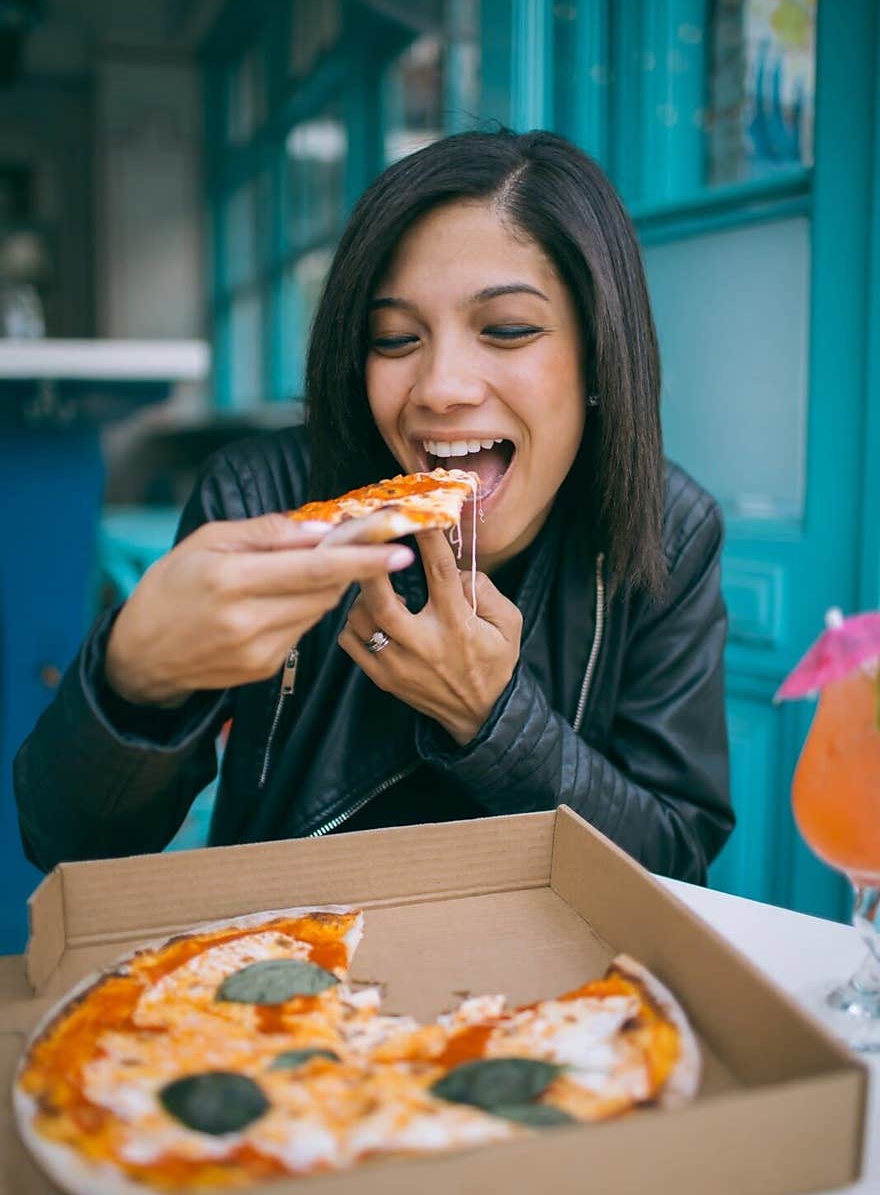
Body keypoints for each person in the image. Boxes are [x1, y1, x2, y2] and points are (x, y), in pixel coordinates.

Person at [14, 129, 734, 883]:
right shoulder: (264, 500)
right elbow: (66, 843)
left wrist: (496, 721)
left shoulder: (669, 531)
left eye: (508, 330)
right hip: (279, 971)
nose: (440, 386)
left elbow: (675, 862)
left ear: (598, 355)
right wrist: (134, 677)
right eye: (394, 339)